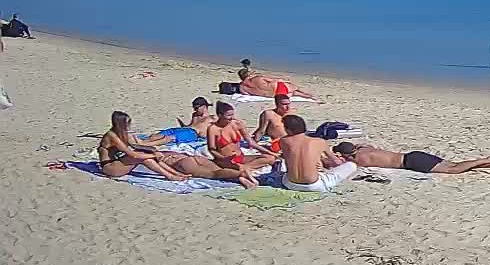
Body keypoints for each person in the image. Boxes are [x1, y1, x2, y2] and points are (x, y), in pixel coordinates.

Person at [96, 111, 258, 186]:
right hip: (110, 168)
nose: (130, 126)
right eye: (128, 124)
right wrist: (152, 154)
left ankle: (173, 174)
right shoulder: (112, 136)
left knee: (148, 155)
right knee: (144, 158)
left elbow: (137, 145)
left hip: (123, 163)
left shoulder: (122, 134)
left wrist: (153, 151)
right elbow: (131, 152)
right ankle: (171, 175)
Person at [333, 142, 490, 177]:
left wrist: (338, 158)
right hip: (413, 155)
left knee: (454, 169)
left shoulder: (360, 159)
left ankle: (489, 159)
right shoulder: (365, 148)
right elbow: (364, 144)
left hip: (412, 163)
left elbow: (340, 166)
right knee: (454, 165)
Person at [278, 115, 358, 192]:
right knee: (352, 165)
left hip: (289, 184)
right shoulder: (319, 142)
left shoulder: (284, 141)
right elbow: (336, 162)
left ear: (288, 129)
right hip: (313, 186)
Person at [206, 99, 277, 172]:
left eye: (232, 114)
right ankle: (244, 168)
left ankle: (245, 168)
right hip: (224, 160)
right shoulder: (213, 129)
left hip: (239, 157)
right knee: (237, 166)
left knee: (270, 158)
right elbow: (211, 149)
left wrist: (270, 152)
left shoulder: (237, 124)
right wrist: (223, 158)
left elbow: (251, 142)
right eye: (229, 115)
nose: (232, 117)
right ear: (219, 115)